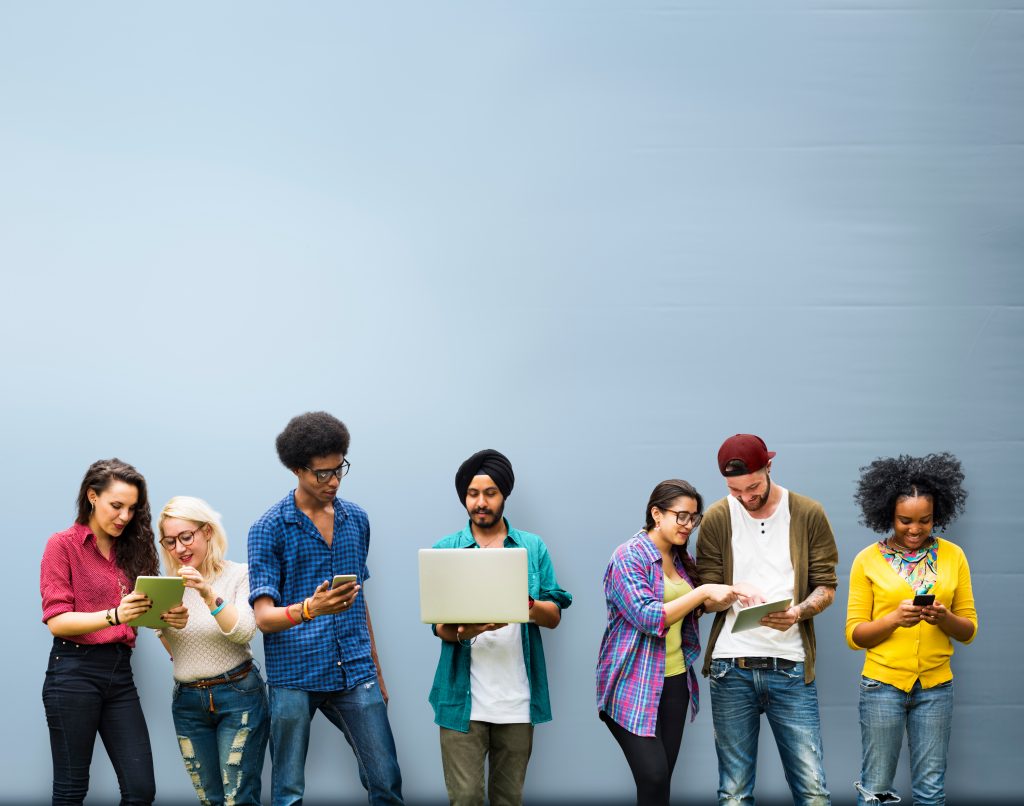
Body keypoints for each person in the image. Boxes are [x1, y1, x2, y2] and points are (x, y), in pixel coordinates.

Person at [248, 411, 404, 806]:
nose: (334, 481)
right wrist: (310, 608)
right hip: (293, 677)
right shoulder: (267, 529)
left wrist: (377, 671)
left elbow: (358, 598)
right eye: (323, 473)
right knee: (287, 794)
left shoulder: (357, 520)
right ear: (298, 470)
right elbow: (263, 618)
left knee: (386, 783)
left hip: (355, 669)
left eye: (340, 470)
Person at [696, 434, 839, 806]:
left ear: (769, 467)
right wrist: (727, 592)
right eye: (735, 489)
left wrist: (797, 613)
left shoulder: (807, 512)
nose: (746, 497)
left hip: (790, 668)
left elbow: (826, 586)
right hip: (731, 668)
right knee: (734, 793)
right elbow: (705, 596)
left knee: (813, 791)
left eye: (754, 486)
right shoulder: (716, 517)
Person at [597, 479, 755, 806]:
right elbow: (648, 616)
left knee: (660, 782)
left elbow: (695, 606)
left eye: (693, 518)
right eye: (681, 516)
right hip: (631, 682)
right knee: (653, 774)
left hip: (674, 681)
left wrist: (731, 593)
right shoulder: (629, 557)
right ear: (657, 514)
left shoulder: (681, 558)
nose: (688, 525)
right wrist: (703, 591)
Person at [429, 449, 572, 806]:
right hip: (461, 703)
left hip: (517, 702)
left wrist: (526, 604)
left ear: (504, 494)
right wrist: (468, 630)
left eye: (490, 493)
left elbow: (553, 615)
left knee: (509, 800)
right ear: (464, 497)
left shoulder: (532, 547)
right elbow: (440, 628)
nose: (481, 502)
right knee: (465, 799)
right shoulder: (445, 550)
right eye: (473, 494)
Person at [40, 458, 182, 806]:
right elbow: (57, 620)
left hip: (119, 675)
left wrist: (168, 619)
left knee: (140, 790)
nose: (124, 516)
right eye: (116, 506)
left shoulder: (131, 551)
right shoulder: (62, 545)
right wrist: (115, 615)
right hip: (73, 672)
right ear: (92, 496)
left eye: (132, 509)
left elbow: (143, 617)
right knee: (71, 789)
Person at [847, 453, 977, 806]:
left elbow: (968, 630)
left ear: (938, 515)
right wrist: (893, 620)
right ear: (888, 513)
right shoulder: (867, 560)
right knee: (876, 789)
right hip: (881, 686)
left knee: (931, 791)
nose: (915, 529)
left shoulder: (954, 556)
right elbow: (855, 636)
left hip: (937, 687)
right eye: (905, 520)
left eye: (925, 520)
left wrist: (944, 617)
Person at [157, 496, 269, 806]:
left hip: (238, 696)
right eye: (170, 542)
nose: (179, 548)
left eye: (186, 537)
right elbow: (167, 640)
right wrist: (167, 624)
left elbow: (244, 632)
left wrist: (207, 593)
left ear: (207, 531)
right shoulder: (167, 588)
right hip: (187, 701)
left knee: (239, 800)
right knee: (209, 800)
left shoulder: (240, 575)